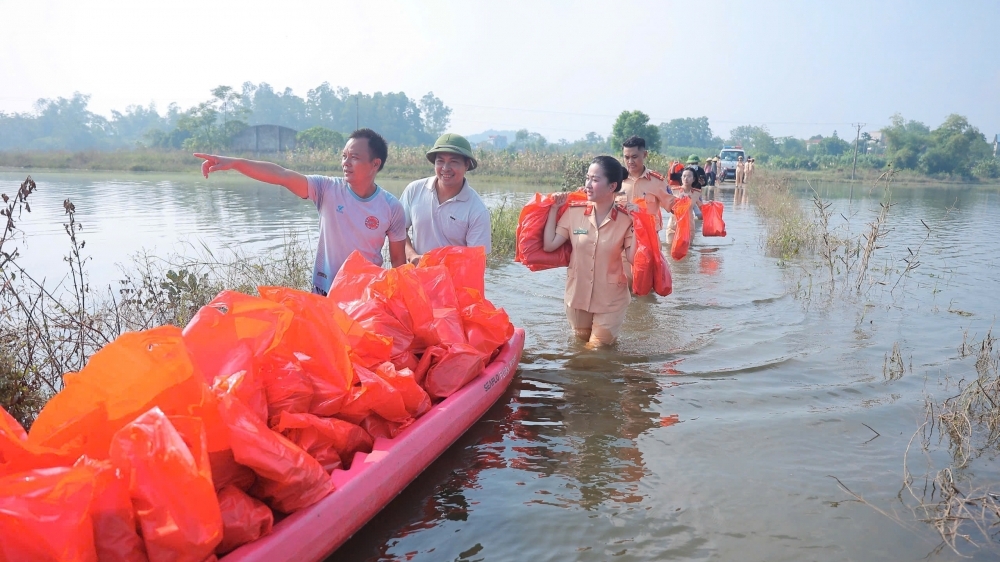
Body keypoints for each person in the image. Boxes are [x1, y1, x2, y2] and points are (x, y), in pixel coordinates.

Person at [195, 128, 407, 296]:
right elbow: (282, 175)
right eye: (344, 156)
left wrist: (399, 299)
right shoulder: (326, 189)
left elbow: (398, 262)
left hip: (365, 296)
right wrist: (235, 163)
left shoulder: (391, 207)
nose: (345, 163)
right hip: (325, 291)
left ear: (375, 164)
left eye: (354, 157)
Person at [543, 156, 636, 347]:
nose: (588, 185)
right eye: (587, 178)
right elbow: (550, 245)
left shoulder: (626, 220)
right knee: (580, 346)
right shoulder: (574, 213)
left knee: (597, 350)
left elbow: (634, 258)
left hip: (611, 300)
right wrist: (554, 209)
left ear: (612, 187)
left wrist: (639, 223)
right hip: (578, 296)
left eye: (595, 180)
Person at [399, 133, 491, 265]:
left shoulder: (477, 210)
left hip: (453, 282)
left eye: (454, 162)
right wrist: (411, 255)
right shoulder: (414, 190)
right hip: (417, 278)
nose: (445, 168)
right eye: (440, 161)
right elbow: (398, 230)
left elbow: (475, 261)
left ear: (466, 165)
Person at [619, 136, 675, 231]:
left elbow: (674, 208)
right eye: (626, 157)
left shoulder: (657, 181)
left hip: (648, 237)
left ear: (644, 154)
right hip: (622, 237)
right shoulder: (616, 179)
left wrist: (685, 202)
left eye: (634, 157)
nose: (630, 161)